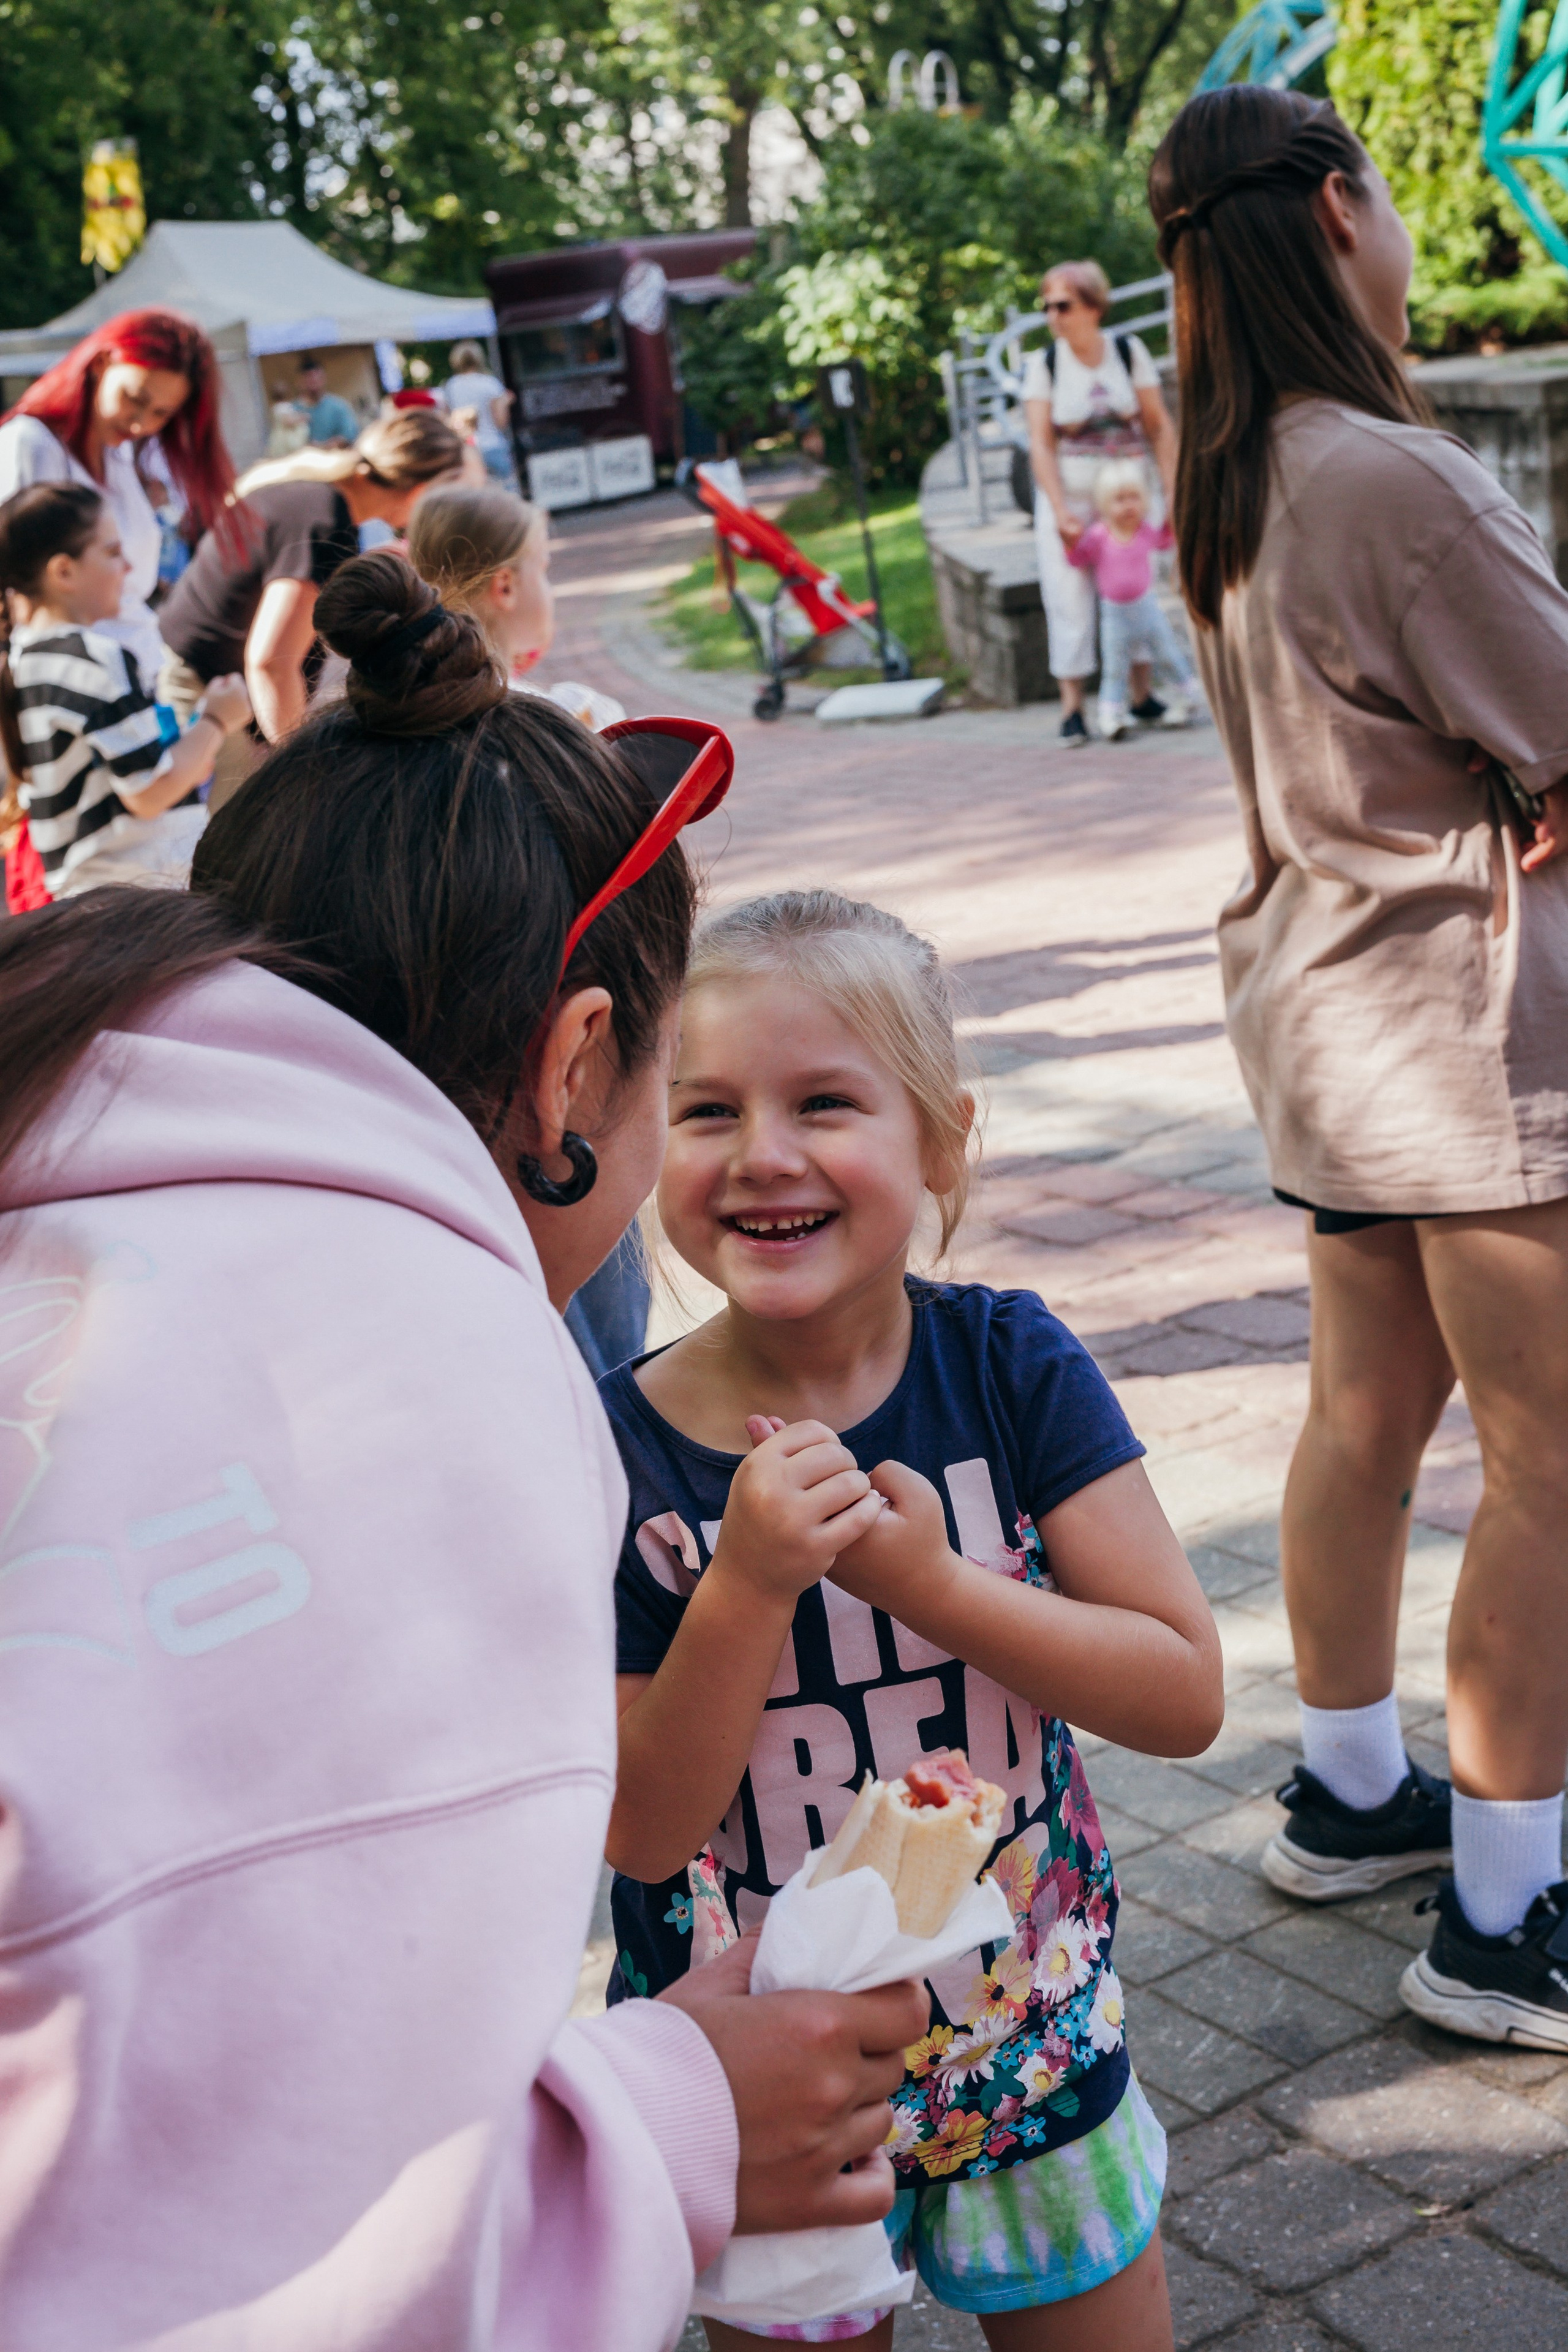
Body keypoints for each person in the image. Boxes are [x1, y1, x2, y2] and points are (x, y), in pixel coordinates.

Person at [0, 551, 929, 2347]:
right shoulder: (424, 1378)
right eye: (674, 1080)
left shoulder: (73, 1166)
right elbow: (308, 2245)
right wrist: (665, 2116)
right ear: (576, 1067)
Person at [605, 890, 1224, 2349]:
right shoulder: (615, 1451)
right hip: (770, 2080)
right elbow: (642, 1829)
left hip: (1028, 2033)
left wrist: (936, 1589)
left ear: (941, 1142)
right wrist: (747, 1584)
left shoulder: (1009, 1367)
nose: (762, 1153)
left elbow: (1181, 1690)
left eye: (822, 1101)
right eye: (705, 1110)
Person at [1150, 86, 1568, 2048]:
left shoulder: (1231, 475)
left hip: (1329, 1023)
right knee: (1550, 1469)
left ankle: (1345, 1791)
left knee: (1366, 1419)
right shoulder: (1397, 477)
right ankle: (1503, 1911)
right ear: (1338, 207)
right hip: (1468, 1036)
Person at [407, 479, 642, 1373]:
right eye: (544, 566)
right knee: (599, 1331)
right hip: (562, 1064)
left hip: (431, 1075)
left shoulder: (368, 728)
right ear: (505, 584)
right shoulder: (565, 720)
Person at [157, 412, 462, 798]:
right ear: (420, 491)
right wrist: (302, 768)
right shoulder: (325, 519)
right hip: (208, 697)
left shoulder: (316, 491)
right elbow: (272, 663)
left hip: (208, 686)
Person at [0, 482, 249, 901]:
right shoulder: (94, 659)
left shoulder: (28, 659)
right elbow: (149, 793)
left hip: (91, 899)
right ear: (64, 572)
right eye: (113, 552)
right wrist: (216, 719)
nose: (128, 567)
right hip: (139, 897)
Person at [0, 309, 241, 687]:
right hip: (73, 683)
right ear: (100, 363)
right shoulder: (31, 443)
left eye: (161, 413)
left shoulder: (120, 454)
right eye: (134, 398)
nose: (141, 423)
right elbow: (13, 583)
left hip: (137, 672)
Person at [1023, 262, 1178, 750]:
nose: (1054, 316)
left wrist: (1172, 490)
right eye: (1047, 307)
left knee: (1133, 589)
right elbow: (1040, 442)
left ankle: (1141, 694)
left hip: (1128, 493)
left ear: (1093, 307)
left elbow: (1158, 425)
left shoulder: (1127, 353)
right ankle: (1073, 707)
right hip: (1071, 495)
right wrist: (1058, 509)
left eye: (1063, 305)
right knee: (1068, 597)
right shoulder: (1045, 365)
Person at [1065, 462, 1199, 741]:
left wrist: (1171, 520)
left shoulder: (1144, 531)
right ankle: (1110, 714)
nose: (1128, 506)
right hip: (1115, 614)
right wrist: (1070, 542)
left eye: (1134, 498)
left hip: (1146, 608)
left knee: (1168, 653)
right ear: (1104, 503)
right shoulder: (1099, 535)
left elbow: (1164, 541)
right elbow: (1078, 559)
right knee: (1115, 666)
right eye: (1120, 499)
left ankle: (1188, 695)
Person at [443, 338, 519, 488]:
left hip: (467, 449)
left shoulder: (451, 386)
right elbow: (501, 422)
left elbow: (448, 419)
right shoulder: (489, 383)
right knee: (506, 492)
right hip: (492, 445)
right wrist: (505, 402)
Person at [292, 355, 360, 448]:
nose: (314, 381)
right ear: (300, 381)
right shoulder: (292, 410)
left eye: (317, 377)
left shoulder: (339, 406)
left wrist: (323, 447)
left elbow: (349, 435)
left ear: (324, 378)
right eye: (309, 377)